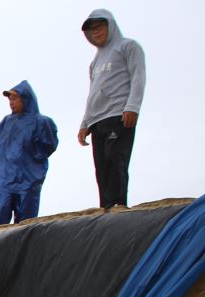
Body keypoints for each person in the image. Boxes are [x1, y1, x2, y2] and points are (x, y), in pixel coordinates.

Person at [77, 9, 145, 209]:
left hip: (119, 114)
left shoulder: (128, 47)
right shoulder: (95, 62)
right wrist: (84, 123)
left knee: (116, 158)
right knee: (102, 166)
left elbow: (138, 76)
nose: (96, 32)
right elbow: (92, 92)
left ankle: (118, 204)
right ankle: (105, 207)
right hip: (97, 120)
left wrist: (132, 106)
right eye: (91, 30)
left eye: (100, 26)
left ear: (110, 25)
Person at [0, 81, 59, 228]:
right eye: (10, 99)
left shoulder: (41, 122)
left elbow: (49, 145)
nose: (11, 103)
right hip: (6, 177)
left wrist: (34, 157)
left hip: (28, 178)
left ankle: (26, 247)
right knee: (0, 216)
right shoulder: (7, 121)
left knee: (26, 221)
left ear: (26, 99)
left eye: (15, 98)